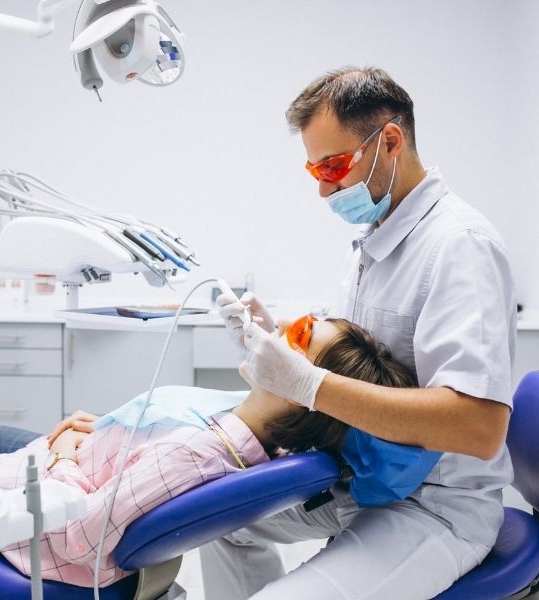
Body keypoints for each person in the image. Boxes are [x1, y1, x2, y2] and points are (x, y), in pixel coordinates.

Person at [206, 66, 517, 599]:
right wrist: (274, 341)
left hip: (436, 504)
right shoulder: (375, 238)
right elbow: (358, 363)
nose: (325, 188)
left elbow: (479, 428)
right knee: (218, 522)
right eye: (314, 171)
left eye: (334, 165)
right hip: (369, 480)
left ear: (390, 141)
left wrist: (308, 385)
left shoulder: (458, 246)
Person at [0, 317, 419, 589]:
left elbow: (82, 539)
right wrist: (119, 433)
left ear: (300, 390)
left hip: (35, 503)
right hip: (80, 460)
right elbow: (154, 461)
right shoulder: (262, 433)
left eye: (297, 334)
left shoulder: (198, 456)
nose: (276, 328)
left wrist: (64, 454)